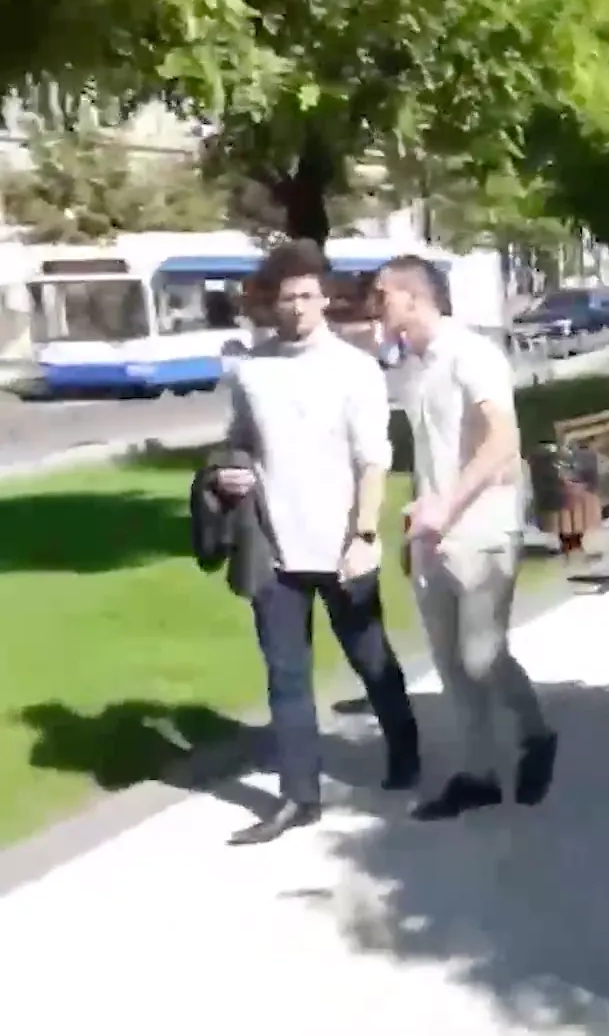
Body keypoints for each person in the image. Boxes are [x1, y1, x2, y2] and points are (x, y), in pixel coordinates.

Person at [214, 240, 420, 846]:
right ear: (272, 304)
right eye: (288, 298)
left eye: (308, 295)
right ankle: (298, 796)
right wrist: (231, 472)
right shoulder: (252, 371)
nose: (299, 307)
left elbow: (374, 460)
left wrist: (364, 534)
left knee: (371, 659)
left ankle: (405, 751)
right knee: (286, 677)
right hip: (274, 548)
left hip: (341, 546)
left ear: (325, 298)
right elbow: (238, 441)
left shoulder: (355, 369)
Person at [373, 255, 558, 821]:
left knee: (482, 656)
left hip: (482, 529)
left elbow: (503, 440)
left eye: (382, 295)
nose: (373, 306)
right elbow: (430, 454)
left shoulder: (471, 354)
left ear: (414, 298)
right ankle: (478, 775)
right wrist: (415, 526)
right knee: (449, 662)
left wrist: (448, 505)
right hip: (431, 534)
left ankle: (536, 734)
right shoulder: (414, 366)